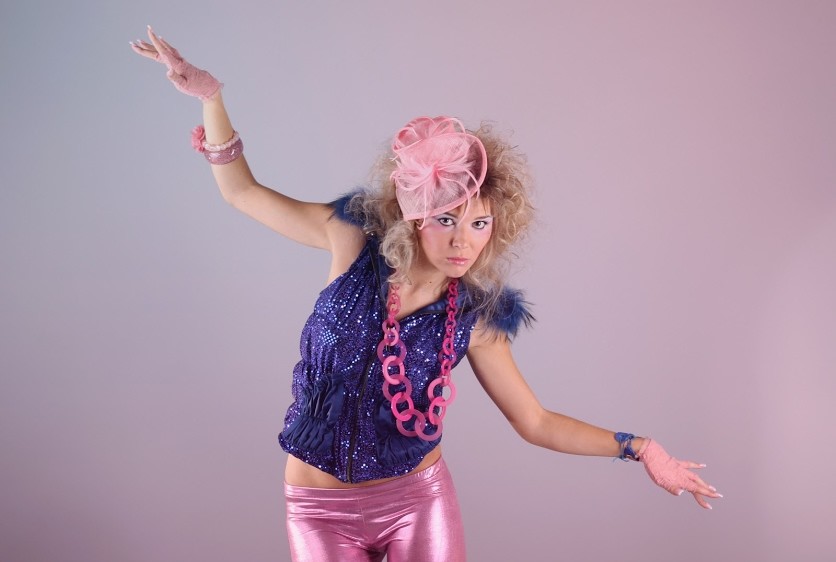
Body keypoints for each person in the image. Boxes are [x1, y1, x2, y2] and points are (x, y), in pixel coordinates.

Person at [131, 26, 722, 562]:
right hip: (317, 507)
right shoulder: (350, 241)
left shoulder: (477, 317)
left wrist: (640, 448)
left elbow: (536, 421)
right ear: (414, 215)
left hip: (416, 501)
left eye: (480, 224)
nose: (464, 241)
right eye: (446, 220)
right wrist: (212, 99)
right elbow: (242, 193)